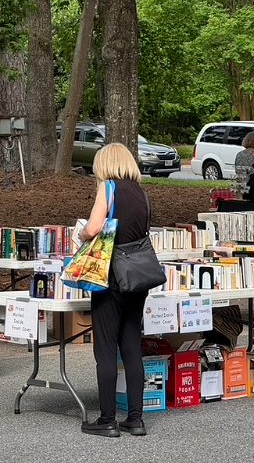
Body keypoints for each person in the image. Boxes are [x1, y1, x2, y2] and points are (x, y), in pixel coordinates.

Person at [77, 143, 150, 438]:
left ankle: (107, 419)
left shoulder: (108, 188)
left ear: (104, 164)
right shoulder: (142, 192)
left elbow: (94, 228)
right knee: (132, 347)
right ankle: (136, 418)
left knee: (105, 349)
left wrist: (81, 233)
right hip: (138, 277)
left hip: (110, 275)